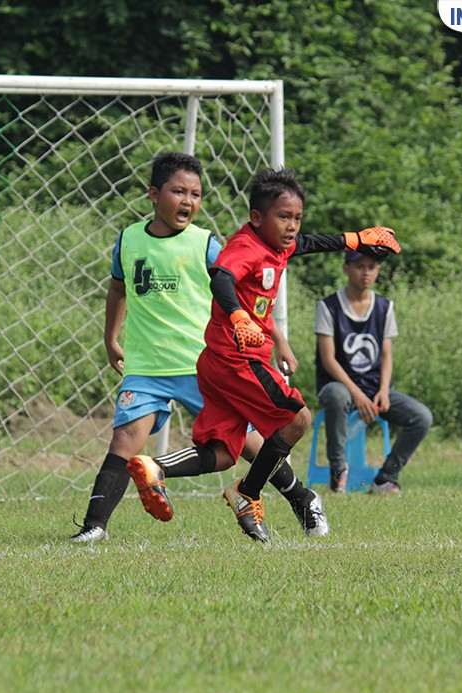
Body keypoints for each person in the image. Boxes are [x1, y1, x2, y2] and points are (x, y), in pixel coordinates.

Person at [126, 167, 401, 541]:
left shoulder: (278, 243)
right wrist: (238, 314)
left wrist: (355, 239)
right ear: (256, 218)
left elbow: (306, 244)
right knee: (298, 419)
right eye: (284, 217)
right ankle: (247, 493)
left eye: (297, 217)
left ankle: (154, 467)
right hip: (237, 360)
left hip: (216, 363)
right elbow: (221, 277)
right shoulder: (245, 247)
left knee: (222, 452)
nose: (292, 226)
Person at [69, 151, 285, 543]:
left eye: (196, 193)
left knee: (249, 443)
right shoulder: (129, 239)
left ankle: (303, 499)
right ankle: (94, 527)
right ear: (154, 194)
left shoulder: (206, 244)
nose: (188, 201)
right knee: (124, 440)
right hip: (146, 366)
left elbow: (246, 296)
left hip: (201, 365)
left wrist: (278, 340)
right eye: (178, 191)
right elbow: (117, 288)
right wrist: (110, 338)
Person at [315, 250, 432, 494]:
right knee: (337, 396)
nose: (366, 272)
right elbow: (328, 360)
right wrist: (356, 394)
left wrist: (383, 391)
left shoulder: (384, 307)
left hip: (374, 388)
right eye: (359, 266)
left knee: (421, 417)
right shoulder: (328, 307)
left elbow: (387, 355)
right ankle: (338, 471)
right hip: (338, 385)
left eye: (371, 266)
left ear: (378, 270)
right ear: (346, 268)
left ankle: (384, 479)